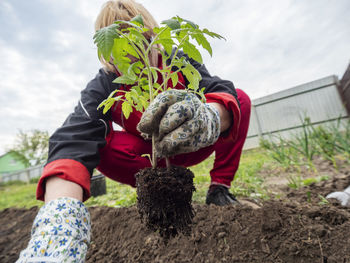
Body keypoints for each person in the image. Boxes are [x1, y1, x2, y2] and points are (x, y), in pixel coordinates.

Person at [17, 0, 251, 261]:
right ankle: (151, 194)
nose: (133, 63)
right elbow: (74, 136)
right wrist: (59, 222)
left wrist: (209, 118)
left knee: (237, 100)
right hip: (144, 162)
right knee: (98, 137)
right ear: (108, 54)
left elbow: (219, 88)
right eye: (120, 53)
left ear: (153, 38)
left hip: (192, 144)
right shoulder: (104, 83)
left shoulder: (178, 60)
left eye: (139, 46)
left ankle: (219, 187)